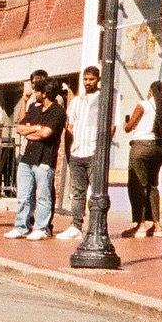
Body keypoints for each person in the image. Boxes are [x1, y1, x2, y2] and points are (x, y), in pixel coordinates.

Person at [6, 72, 67, 241]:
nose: (35, 93)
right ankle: (21, 226)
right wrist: (36, 128)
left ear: (45, 93)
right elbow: (19, 127)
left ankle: (42, 227)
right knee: (24, 195)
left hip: (45, 159)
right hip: (27, 158)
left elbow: (46, 133)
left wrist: (33, 130)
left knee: (43, 196)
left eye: (37, 91)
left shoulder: (58, 112)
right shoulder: (34, 108)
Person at [121, 78, 162, 237]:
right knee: (153, 186)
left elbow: (129, 127)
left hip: (141, 147)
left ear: (150, 91)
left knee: (138, 186)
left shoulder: (143, 105)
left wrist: (125, 123)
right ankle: (157, 225)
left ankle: (140, 224)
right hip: (158, 149)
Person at [58, 65, 101, 244]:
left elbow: (111, 126)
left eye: (91, 79)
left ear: (98, 79)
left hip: (93, 152)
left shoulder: (104, 99)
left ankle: (95, 228)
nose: (88, 82)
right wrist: (69, 150)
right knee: (77, 192)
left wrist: (101, 149)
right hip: (77, 151)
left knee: (96, 193)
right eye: (85, 79)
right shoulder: (77, 101)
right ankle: (76, 226)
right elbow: (70, 126)